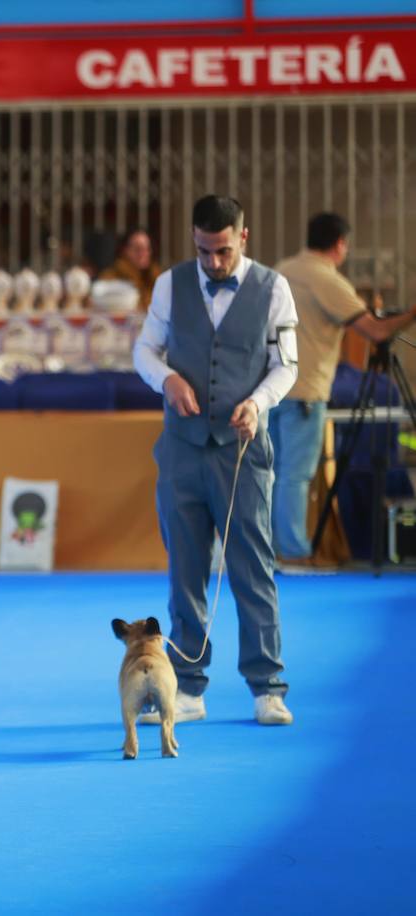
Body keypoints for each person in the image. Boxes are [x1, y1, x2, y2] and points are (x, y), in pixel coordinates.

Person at [132, 195, 298, 727]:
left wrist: (259, 402)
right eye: (204, 251)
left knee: (253, 570)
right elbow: (145, 350)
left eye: (223, 251)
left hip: (243, 450)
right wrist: (167, 379)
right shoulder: (168, 284)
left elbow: (286, 365)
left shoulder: (274, 288)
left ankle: (267, 686)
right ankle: (188, 686)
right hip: (181, 448)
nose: (213, 263)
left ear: (242, 238)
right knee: (185, 569)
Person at [271, 213, 416, 566]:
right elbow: (377, 332)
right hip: (304, 392)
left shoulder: (281, 269)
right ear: (339, 244)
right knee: (295, 474)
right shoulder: (327, 279)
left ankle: (272, 551)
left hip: (270, 388)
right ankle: (293, 553)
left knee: (272, 474)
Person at [98, 227, 162, 310]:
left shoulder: (157, 279)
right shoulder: (110, 276)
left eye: (147, 249)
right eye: (137, 249)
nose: (143, 253)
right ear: (125, 250)